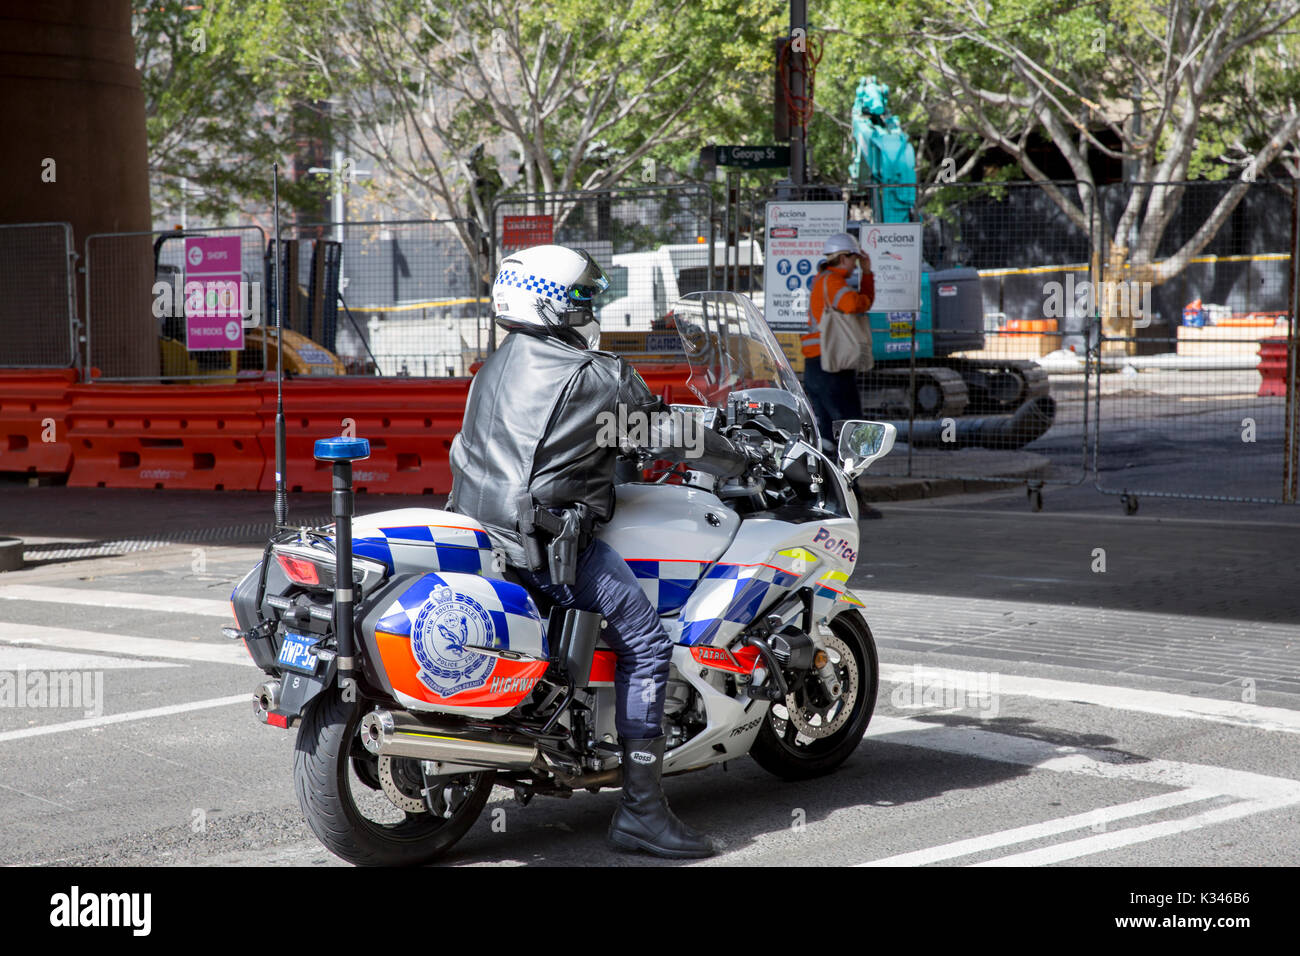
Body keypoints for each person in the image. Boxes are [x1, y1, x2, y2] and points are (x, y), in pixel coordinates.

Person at [447, 244, 750, 858]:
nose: (592, 311)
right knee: (647, 643)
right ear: (551, 304)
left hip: (479, 531)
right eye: (583, 299)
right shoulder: (595, 375)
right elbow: (668, 434)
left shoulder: (493, 366)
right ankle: (642, 811)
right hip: (543, 546)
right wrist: (741, 459)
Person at [801, 232, 875, 448]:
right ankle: (855, 466)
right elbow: (855, 304)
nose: (855, 265)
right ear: (843, 258)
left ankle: (828, 466)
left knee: (827, 428)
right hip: (830, 363)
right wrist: (867, 274)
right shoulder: (833, 281)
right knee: (850, 423)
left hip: (817, 364)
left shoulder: (822, 279)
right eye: (854, 259)